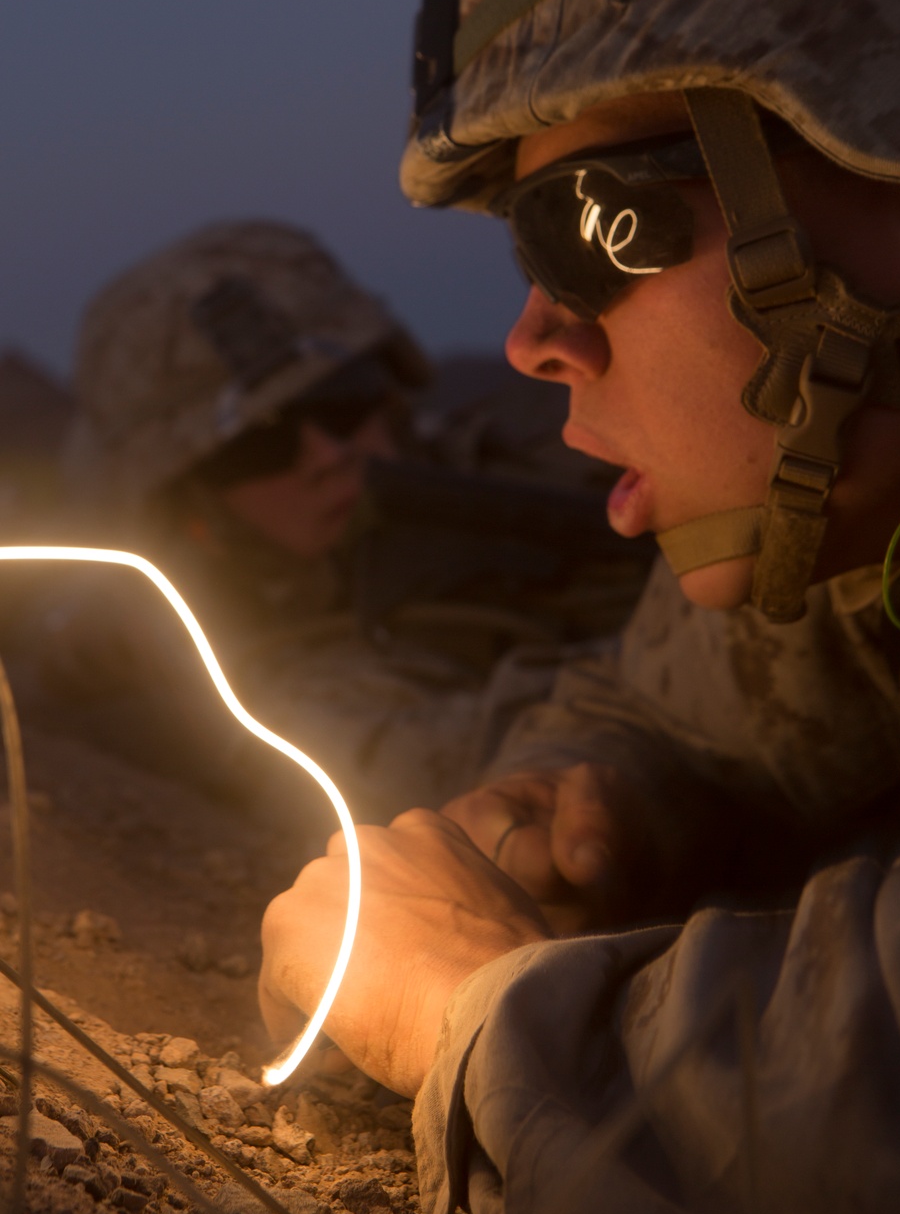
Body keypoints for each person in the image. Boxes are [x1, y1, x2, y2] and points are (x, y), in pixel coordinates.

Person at [259, 0, 900, 1214]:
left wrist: (486, 1002)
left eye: (595, 226)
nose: (537, 338)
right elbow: (670, 707)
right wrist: (620, 810)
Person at [37, 219, 648, 824]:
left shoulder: (529, 467)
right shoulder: (243, 672)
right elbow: (423, 778)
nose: (326, 456)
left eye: (340, 401)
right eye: (258, 449)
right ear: (190, 500)